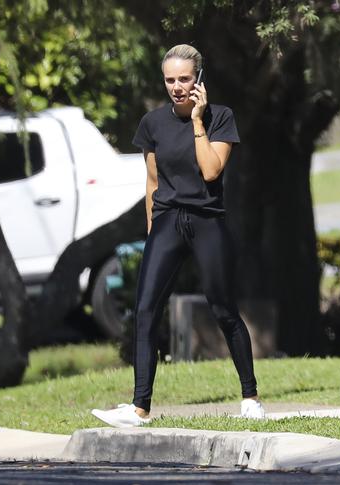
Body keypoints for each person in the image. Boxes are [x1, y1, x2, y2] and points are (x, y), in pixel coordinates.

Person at [91, 44, 264, 428]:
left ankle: (250, 396)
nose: (177, 87)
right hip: (168, 220)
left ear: (199, 78)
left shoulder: (221, 118)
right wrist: (154, 235)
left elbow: (211, 172)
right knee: (146, 308)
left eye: (184, 79)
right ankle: (140, 408)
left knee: (223, 309)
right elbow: (153, 182)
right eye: (170, 80)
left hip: (207, 221)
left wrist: (198, 120)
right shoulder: (152, 124)